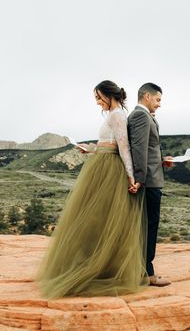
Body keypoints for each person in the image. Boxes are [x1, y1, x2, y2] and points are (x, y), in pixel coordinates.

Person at [36, 80, 148, 298]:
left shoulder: (117, 115)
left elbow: (123, 147)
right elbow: (108, 143)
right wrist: (90, 149)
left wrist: (131, 176)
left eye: (99, 97)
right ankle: (96, 264)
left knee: (101, 219)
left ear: (109, 95)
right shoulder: (112, 115)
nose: (97, 102)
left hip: (110, 170)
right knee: (98, 219)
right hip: (101, 164)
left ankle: (101, 267)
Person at [128, 82, 173, 287]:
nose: (160, 104)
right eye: (158, 99)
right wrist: (140, 179)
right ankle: (147, 273)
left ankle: (144, 270)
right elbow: (139, 150)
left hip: (150, 178)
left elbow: (149, 149)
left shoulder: (146, 117)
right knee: (149, 226)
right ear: (146, 96)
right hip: (148, 182)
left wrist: (163, 160)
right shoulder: (140, 116)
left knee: (148, 225)